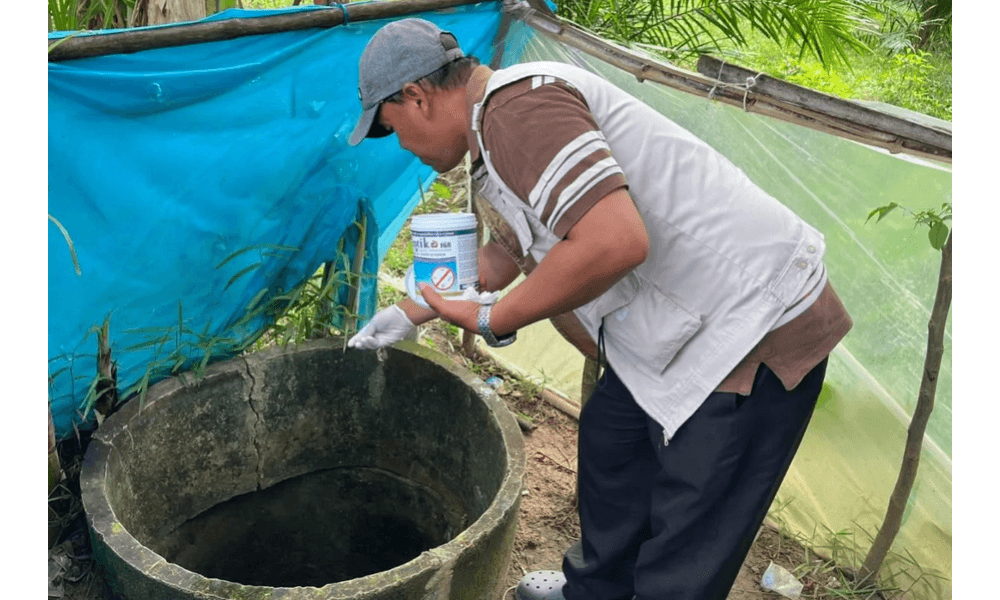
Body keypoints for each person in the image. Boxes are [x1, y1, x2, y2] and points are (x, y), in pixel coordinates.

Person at [346, 18, 853, 600]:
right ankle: (591, 593)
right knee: (613, 455)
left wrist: (493, 319)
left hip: (749, 325)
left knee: (687, 542)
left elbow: (614, 241)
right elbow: (514, 243)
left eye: (393, 129)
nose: (404, 147)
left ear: (417, 96)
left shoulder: (520, 107)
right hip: (673, 327)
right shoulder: (495, 129)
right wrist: (414, 310)